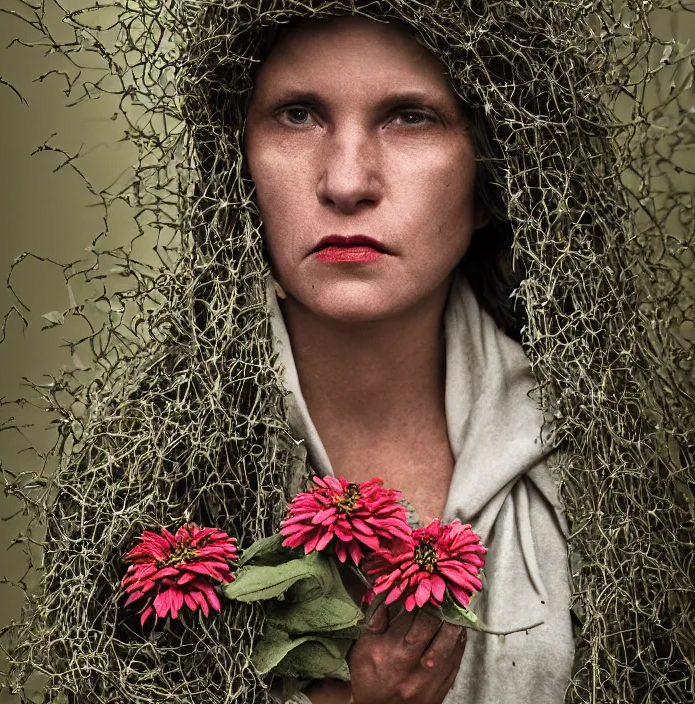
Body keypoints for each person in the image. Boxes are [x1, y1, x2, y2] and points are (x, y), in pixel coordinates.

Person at [243, 14, 575, 704]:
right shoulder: (146, 469)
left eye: (410, 118)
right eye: (298, 115)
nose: (345, 183)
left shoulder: (598, 459)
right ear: (234, 167)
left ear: (490, 180)